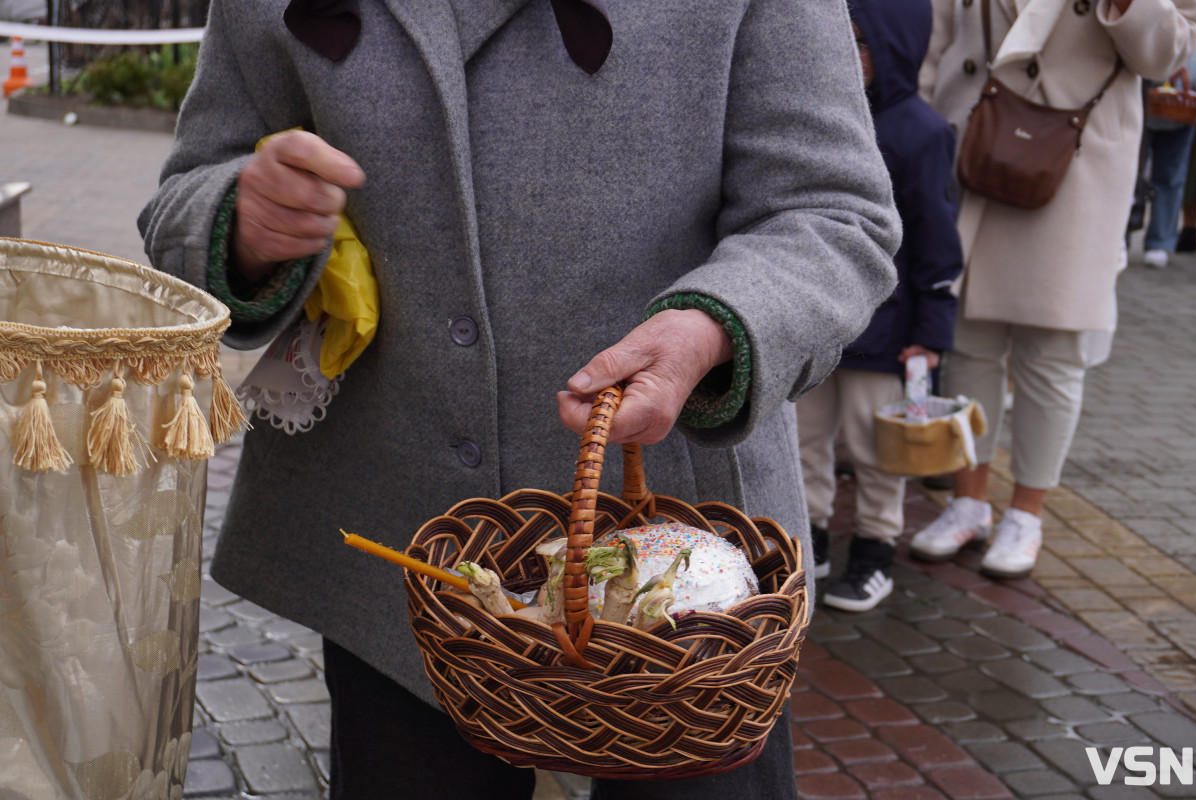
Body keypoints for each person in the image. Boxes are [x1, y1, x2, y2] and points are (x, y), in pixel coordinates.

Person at [138, 2, 901, 798]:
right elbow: (189, 189)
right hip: (402, 553)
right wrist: (242, 223)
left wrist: (714, 328)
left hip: (688, 577)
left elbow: (830, 211)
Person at [914, 0, 1196, 578]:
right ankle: (969, 501)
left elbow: (1165, 53)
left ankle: (1027, 512)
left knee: (1053, 351)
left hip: (1077, 159)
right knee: (970, 339)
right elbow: (936, 37)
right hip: (974, 144)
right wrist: (923, 124)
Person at [796, 0, 962, 613]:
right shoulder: (825, 117)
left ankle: (874, 551)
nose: (847, 57)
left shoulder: (923, 133)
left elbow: (940, 249)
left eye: (860, 43)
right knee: (805, 439)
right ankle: (807, 538)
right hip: (821, 329)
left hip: (888, 336)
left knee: (877, 449)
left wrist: (930, 336)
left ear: (893, 48)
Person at [1138, 40, 1196, 268]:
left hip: (1187, 98)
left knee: (1172, 175)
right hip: (1144, 91)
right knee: (1131, 174)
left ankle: (1161, 241)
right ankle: (1120, 235)